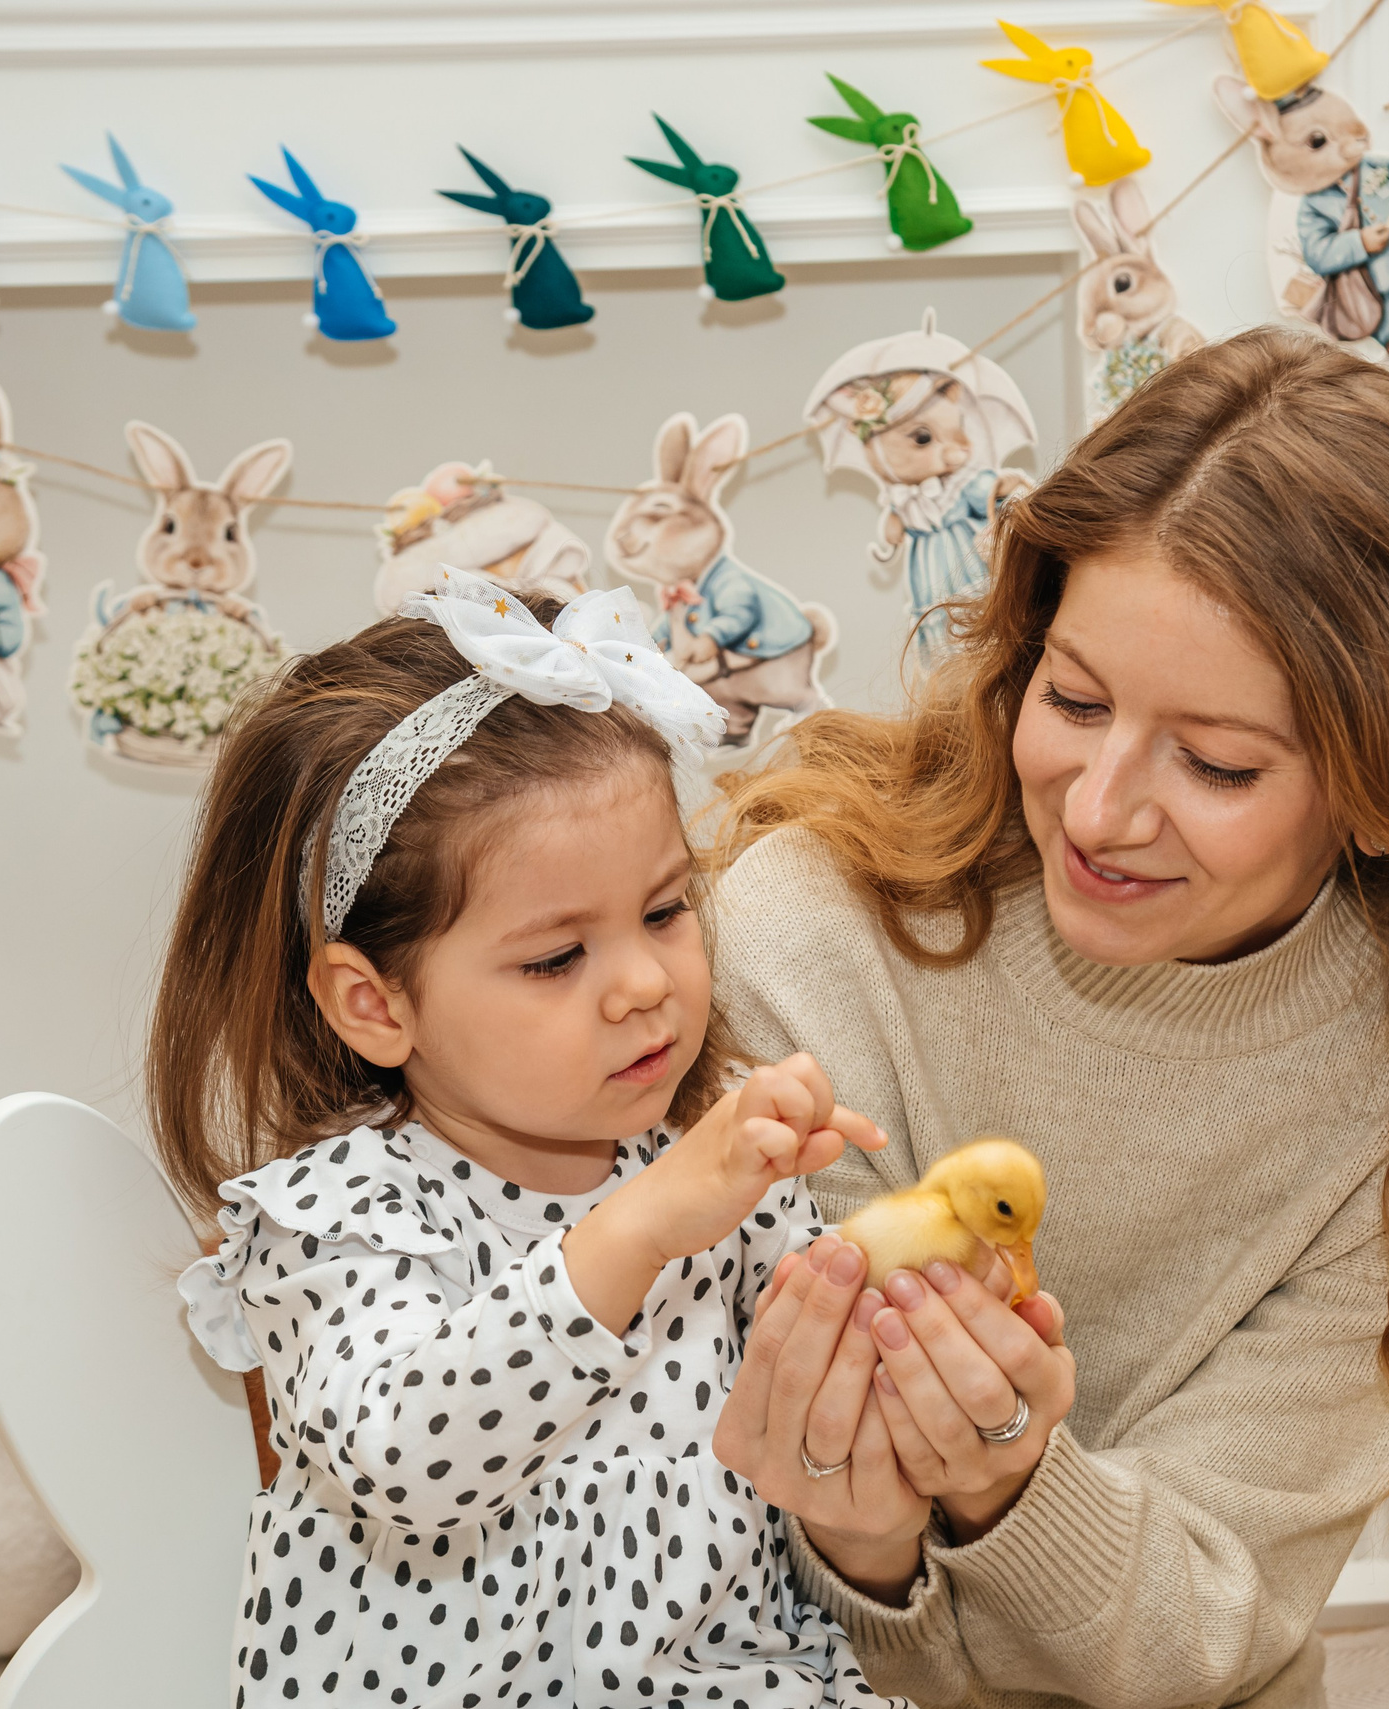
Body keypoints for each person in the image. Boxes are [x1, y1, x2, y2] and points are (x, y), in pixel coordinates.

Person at [705, 328, 1389, 1708]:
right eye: (1072, 699)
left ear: (1387, 782)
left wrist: (1007, 1481)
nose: (1100, 808)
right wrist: (868, 1530)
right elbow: (750, 1576)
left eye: (1215, 761)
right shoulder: (807, 935)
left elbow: (1204, 1630)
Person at [149, 571, 921, 1707]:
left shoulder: (720, 1184)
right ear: (375, 1002)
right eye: (557, 958)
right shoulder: (337, 1216)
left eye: (664, 910)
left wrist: (892, 1328)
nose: (645, 983)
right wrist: (645, 1224)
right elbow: (410, 1459)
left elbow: (813, 1482)